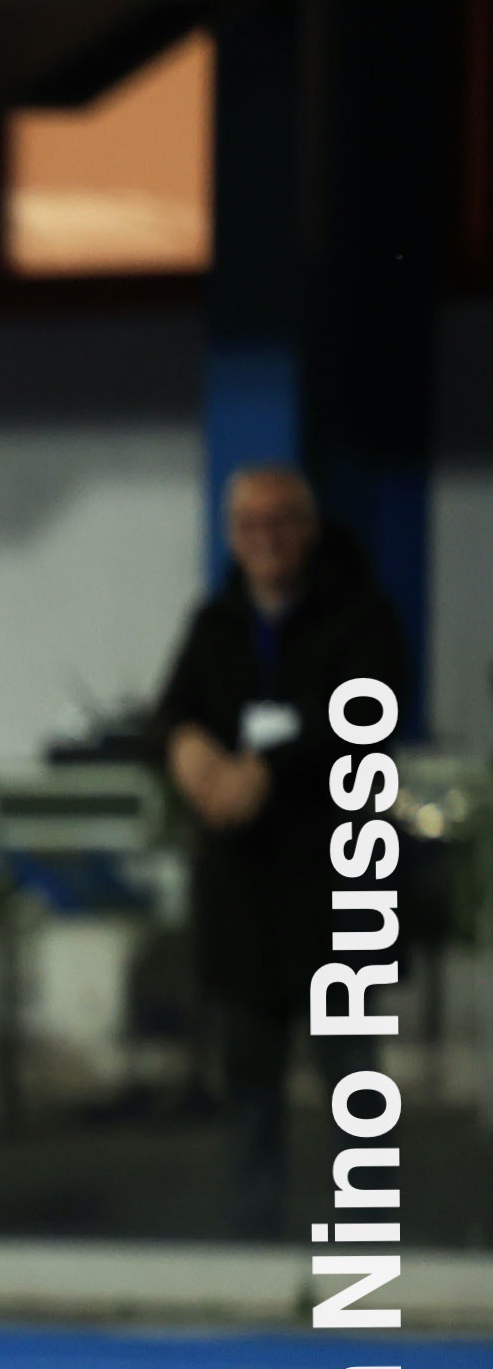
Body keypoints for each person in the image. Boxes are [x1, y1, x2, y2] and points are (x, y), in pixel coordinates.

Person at [150, 464, 412, 1237]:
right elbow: (169, 711)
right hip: (243, 898)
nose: (263, 539)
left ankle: (364, 1242)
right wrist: (183, 747)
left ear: (308, 527)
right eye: (247, 526)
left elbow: (367, 715)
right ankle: (252, 1246)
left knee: (349, 1078)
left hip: (335, 890)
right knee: (250, 1086)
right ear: (231, 537)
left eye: (278, 522)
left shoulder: (361, 617)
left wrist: (266, 770)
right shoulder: (215, 622)